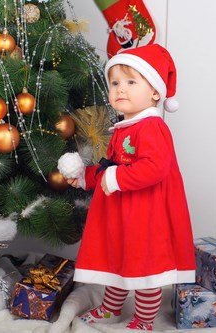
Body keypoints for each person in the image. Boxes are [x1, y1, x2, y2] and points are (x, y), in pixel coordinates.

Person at [58, 44, 196, 330]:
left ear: (155, 92)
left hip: (145, 213)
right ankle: (111, 308)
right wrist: (86, 176)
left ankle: (145, 319)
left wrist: (115, 179)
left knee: (145, 264)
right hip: (121, 212)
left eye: (131, 82)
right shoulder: (125, 127)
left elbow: (154, 168)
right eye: (115, 83)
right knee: (117, 259)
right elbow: (112, 166)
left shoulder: (152, 128)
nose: (121, 89)